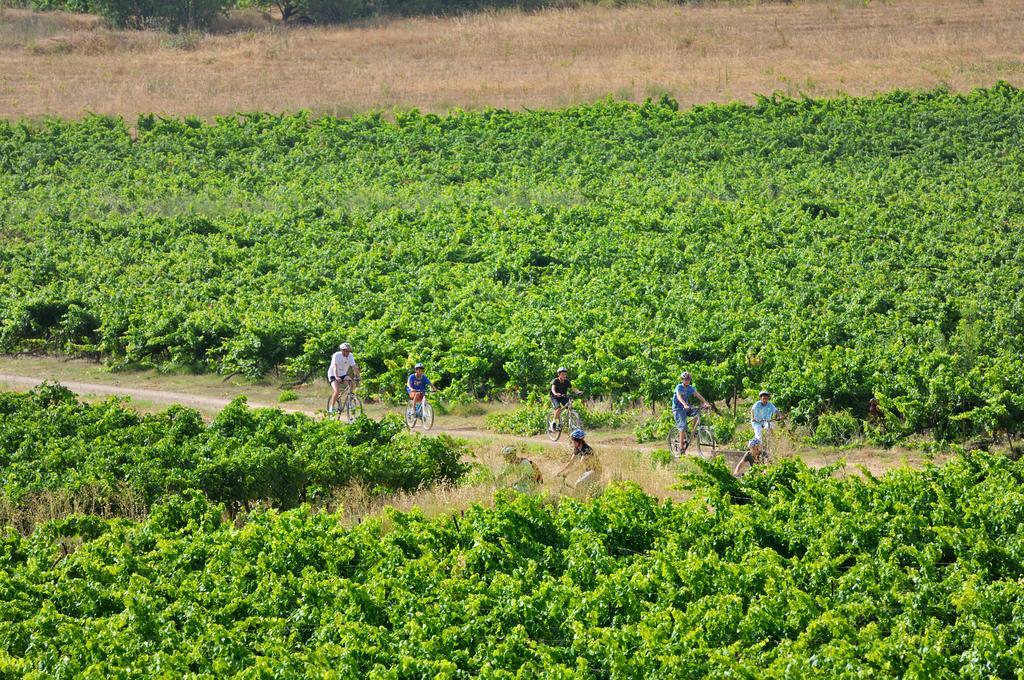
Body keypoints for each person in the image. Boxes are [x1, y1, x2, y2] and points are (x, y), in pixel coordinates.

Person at [672, 371, 712, 453]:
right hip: (678, 409)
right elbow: (679, 396)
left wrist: (705, 403)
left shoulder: (690, 388)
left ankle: (693, 432)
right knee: (683, 426)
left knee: (697, 412)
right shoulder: (679, 387)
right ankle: (681, 447)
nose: (687, 381)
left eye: (688, 379)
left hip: (686, 407)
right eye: (685, 379)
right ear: (682, 380)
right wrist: (684, 404)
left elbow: (698, 395)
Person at [327, 342, 360, 414]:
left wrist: (359, 376)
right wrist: (336, 377)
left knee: (352, 384)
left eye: (349, 351)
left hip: (343, 373)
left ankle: (350, 399)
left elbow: (354, 367)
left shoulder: (350, 356)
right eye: (346, 351)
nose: (348, 352)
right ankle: (331, 408)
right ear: (342, 350)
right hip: (333, 374)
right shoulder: (336, 355)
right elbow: (335, 366)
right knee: (337, 391)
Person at [549, 367, 580, 433]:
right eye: (563, 374)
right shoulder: (555, 381)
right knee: (558, 408)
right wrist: (555, 393)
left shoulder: (566, 381)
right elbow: (553, 389)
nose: (564, 376)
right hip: (554, 397)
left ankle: (565, 421)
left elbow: (572, 388)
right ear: (559, 374)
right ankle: (553, 423)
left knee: (569, 406)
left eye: (565, 374)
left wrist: (578, 392)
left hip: (562, 396)